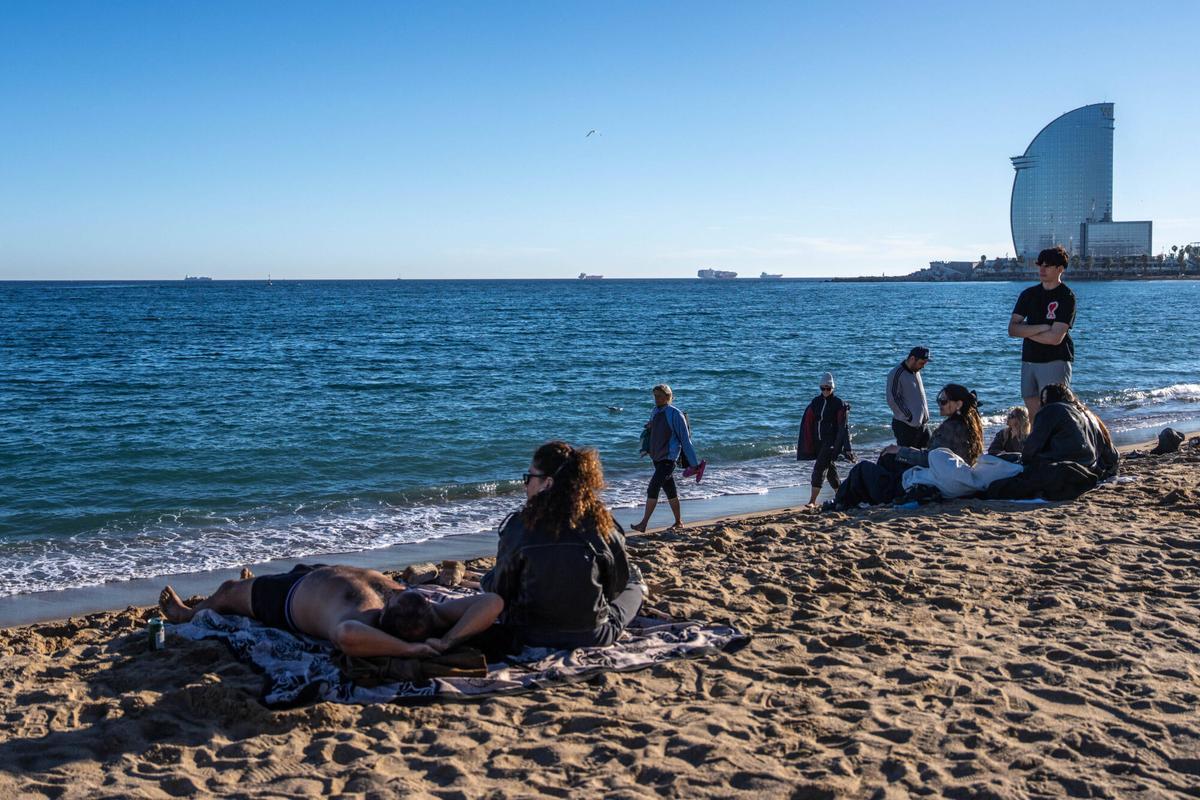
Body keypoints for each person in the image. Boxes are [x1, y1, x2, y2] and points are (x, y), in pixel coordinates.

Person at [480, 440, 646, 652]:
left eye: (529, 477)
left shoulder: (519, 527)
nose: (525, 484)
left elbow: (502, 590)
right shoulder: (601, 526)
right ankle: (641, 588)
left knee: (490, 579)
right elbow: (616, 585)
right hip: (591, 635)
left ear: (547, 483)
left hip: (528, 633)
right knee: (633, 587)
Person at [158, 564, 503, 658]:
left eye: (393, 599)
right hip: (318, 574)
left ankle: (185, 614)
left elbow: (345, 636)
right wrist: (450, 640)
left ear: (385, 617)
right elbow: (493, 602)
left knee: (227, 592)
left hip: (289, 599)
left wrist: (411, 649)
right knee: (301, 566)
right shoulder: (432, 616)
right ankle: (256, 581)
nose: (395, 594)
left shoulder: (365, 622)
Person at [829, 383, 983, 509]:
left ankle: (841, 502)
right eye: (939, 401)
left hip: (931, 480)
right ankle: (872, 495)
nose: (940, 405)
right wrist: (899, 452)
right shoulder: (969, 426)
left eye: (943, 401)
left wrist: (901, 450)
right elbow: (937, 457)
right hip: (945, 478)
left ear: (958, 404)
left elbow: (931, 459)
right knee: (889, 458)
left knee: (861, 469)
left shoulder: (951, 429)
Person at [1008, 245, 1077, 418]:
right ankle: (1037, 445)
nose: (1042, 269)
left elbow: (1055, 338)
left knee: (1054, 411)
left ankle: (1057, 445)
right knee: (1033, 413)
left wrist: (1026, 330)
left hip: (1055, 360)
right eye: (1040, 265)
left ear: (1060, 269)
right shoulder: (1028, 294)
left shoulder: (1066, 296)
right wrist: (1042, 327)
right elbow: (1012, 329)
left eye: (1047, 265)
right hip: (1029, 359)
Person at [631, 384, 701, 531]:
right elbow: (653, 433)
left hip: (669, 459)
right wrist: (647, 448)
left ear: (668, 397)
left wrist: (694, 465)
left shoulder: (675, 414)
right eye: (655, 396)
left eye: (659, 396)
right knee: (671, 491)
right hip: (656, 458)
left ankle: (643, 523)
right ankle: (678, 522)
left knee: (653, 488)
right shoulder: (655, 411)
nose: (656, 399)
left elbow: (686, 441)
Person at [1021, 384, 1118, 478]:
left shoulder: (1053, 409)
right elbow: (1113, 455)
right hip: (1092, 468)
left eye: (1044, 400)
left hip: (1068, 468)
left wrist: (1024, 459)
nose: (1041, 404)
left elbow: (1031, 448)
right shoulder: (1088, 414)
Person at [797, 372, 854, 507]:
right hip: (818, 442)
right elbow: (808, 422)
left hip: (831, 443)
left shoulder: (838, 404)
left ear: (833, 388)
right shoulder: (815, 402)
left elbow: (844, 427)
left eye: (828, 388)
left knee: (819, 468)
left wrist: (847, 448)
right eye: (823, 388)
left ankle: (812, 501)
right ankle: (842, 496)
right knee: (830, 471)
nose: (825, 391)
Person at [887, 347, 932, 447]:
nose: (923, 367)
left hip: (922, 425)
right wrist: (909, 416)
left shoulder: (916, 371)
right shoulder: (897, 373)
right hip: (905, 426)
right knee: (906, 459)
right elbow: (893, 398)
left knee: (930, 453)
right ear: (912, 359)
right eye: (921, 363)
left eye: (925, 363)